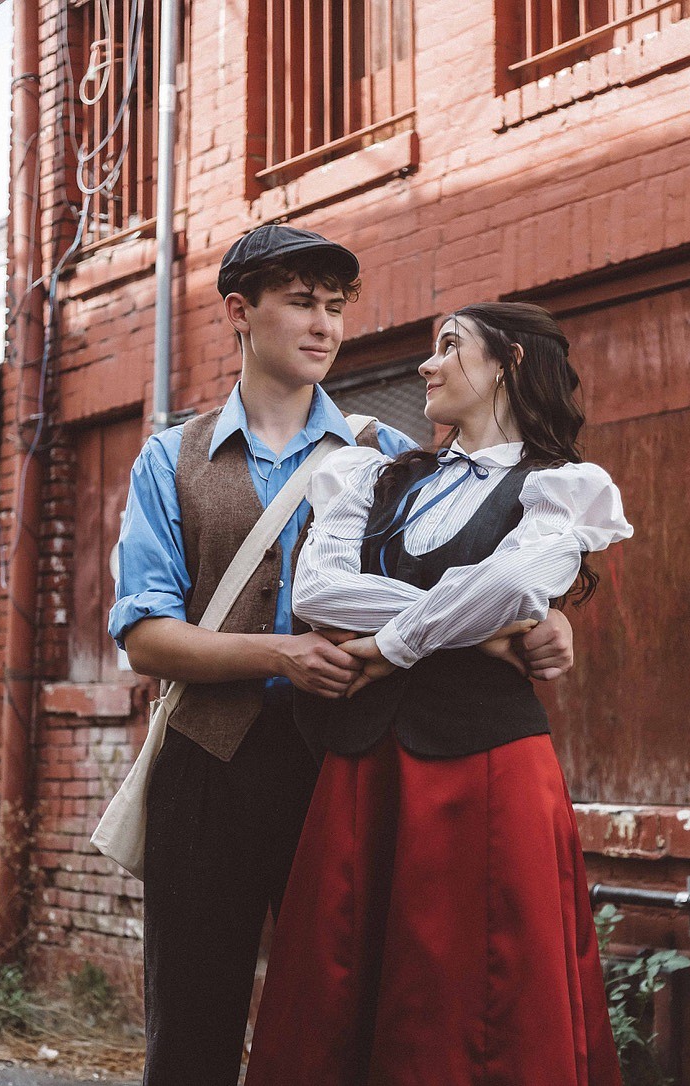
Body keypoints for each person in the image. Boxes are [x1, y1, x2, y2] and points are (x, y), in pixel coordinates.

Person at [109, 231, 574, 1085]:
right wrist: (280, 649)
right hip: (206, 768)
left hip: (355, 763)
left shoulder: (395, 454)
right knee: (193, 1027)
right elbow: (144, 635)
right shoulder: (168, 458)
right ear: (241, 314)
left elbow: (471, 585)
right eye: (301, 302)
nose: (324, 325)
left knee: (345, 1026)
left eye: (334, 306)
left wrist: (544, 627)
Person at [243, 302, 633, 1086]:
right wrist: (480, 628)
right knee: (335, 986)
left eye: (449, 347)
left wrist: (392, 644)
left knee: (477, 998)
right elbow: (321, 590)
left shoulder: (560, 486)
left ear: (509, 363)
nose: (428, 364)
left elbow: (520, 581)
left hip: (485, 772)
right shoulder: (376, 474)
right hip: (363, 767)